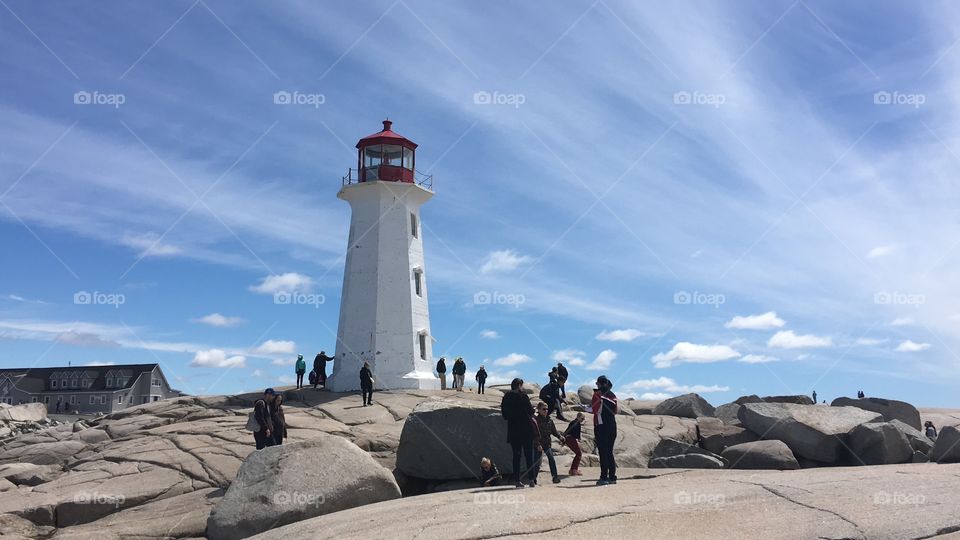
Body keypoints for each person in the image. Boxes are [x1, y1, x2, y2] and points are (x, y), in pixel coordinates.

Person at [500, 378, 535, 488]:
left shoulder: (506, 397)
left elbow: (504, 415)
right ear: (519, 385)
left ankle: (517, 480)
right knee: (529, 455)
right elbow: (530, 411)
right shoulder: (523, 395)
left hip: (513, 430)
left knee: (516, 456)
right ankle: (531, 479)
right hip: (526, 430)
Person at [585, 375, 618, 485]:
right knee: (609, 452)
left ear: (599, 383)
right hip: (612, 425)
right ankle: (612, 476)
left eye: (597, 383)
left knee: (603, 452)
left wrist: (584, 408)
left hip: (601, 425)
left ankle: (604, 477)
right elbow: (615, 411)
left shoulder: (598, 394)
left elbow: (595, 409)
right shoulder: (613, 395)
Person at [533, 401, 563, 484]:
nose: (546, 410)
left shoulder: (549, 420)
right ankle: (533, 479)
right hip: (538, 444)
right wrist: (538, 444)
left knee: (551, 459)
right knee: (536, 462)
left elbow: (554, 431)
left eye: (547, 409)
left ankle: (555, 477)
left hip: (547, 444)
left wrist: (560, 437)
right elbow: (533, 434)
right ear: (539, 409)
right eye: (543, 409)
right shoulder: (536, 420)